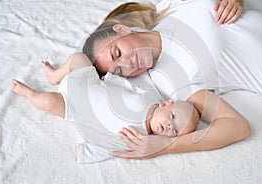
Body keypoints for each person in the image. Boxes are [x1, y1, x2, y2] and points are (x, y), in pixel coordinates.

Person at [81, 0, 262, 159]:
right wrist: (165, 146)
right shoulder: (172, 80)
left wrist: (235, 0)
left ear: (122, 29)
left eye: (117, 53)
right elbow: (236, 126)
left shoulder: (167, 7)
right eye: (119, 71)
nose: (127, 64)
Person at [11, 52, 200, 163]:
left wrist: (88, 152)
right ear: (166, 104)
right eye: (173, 118)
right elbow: (129, 87)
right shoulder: (151, 96)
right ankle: (55, 76)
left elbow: (112, 147)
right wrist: (111, 79)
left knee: (48, 102)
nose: (169, 126)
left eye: (175, 131)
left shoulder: (139, 137)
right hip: (89, 81)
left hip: (72, 105)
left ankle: (29, 94)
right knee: (79, 57)